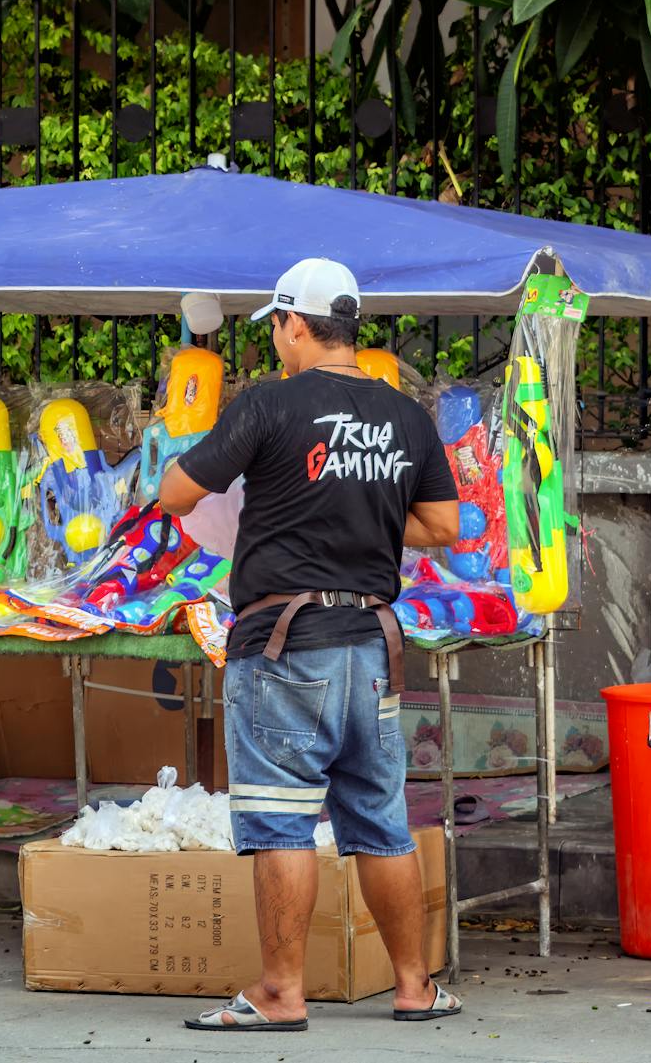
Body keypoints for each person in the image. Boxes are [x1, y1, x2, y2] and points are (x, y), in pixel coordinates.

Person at [159, 258, 462, 1033]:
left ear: (296, 323)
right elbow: (442, 528)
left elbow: (178, 493)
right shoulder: (406, 417)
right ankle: (413, 986)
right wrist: (363, 502)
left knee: (283, 821)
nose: (279, 344)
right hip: (370, 644)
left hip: (284, 644)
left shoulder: (270, 405)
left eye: (279, 330)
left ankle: (282, 993)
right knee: (379, 820)